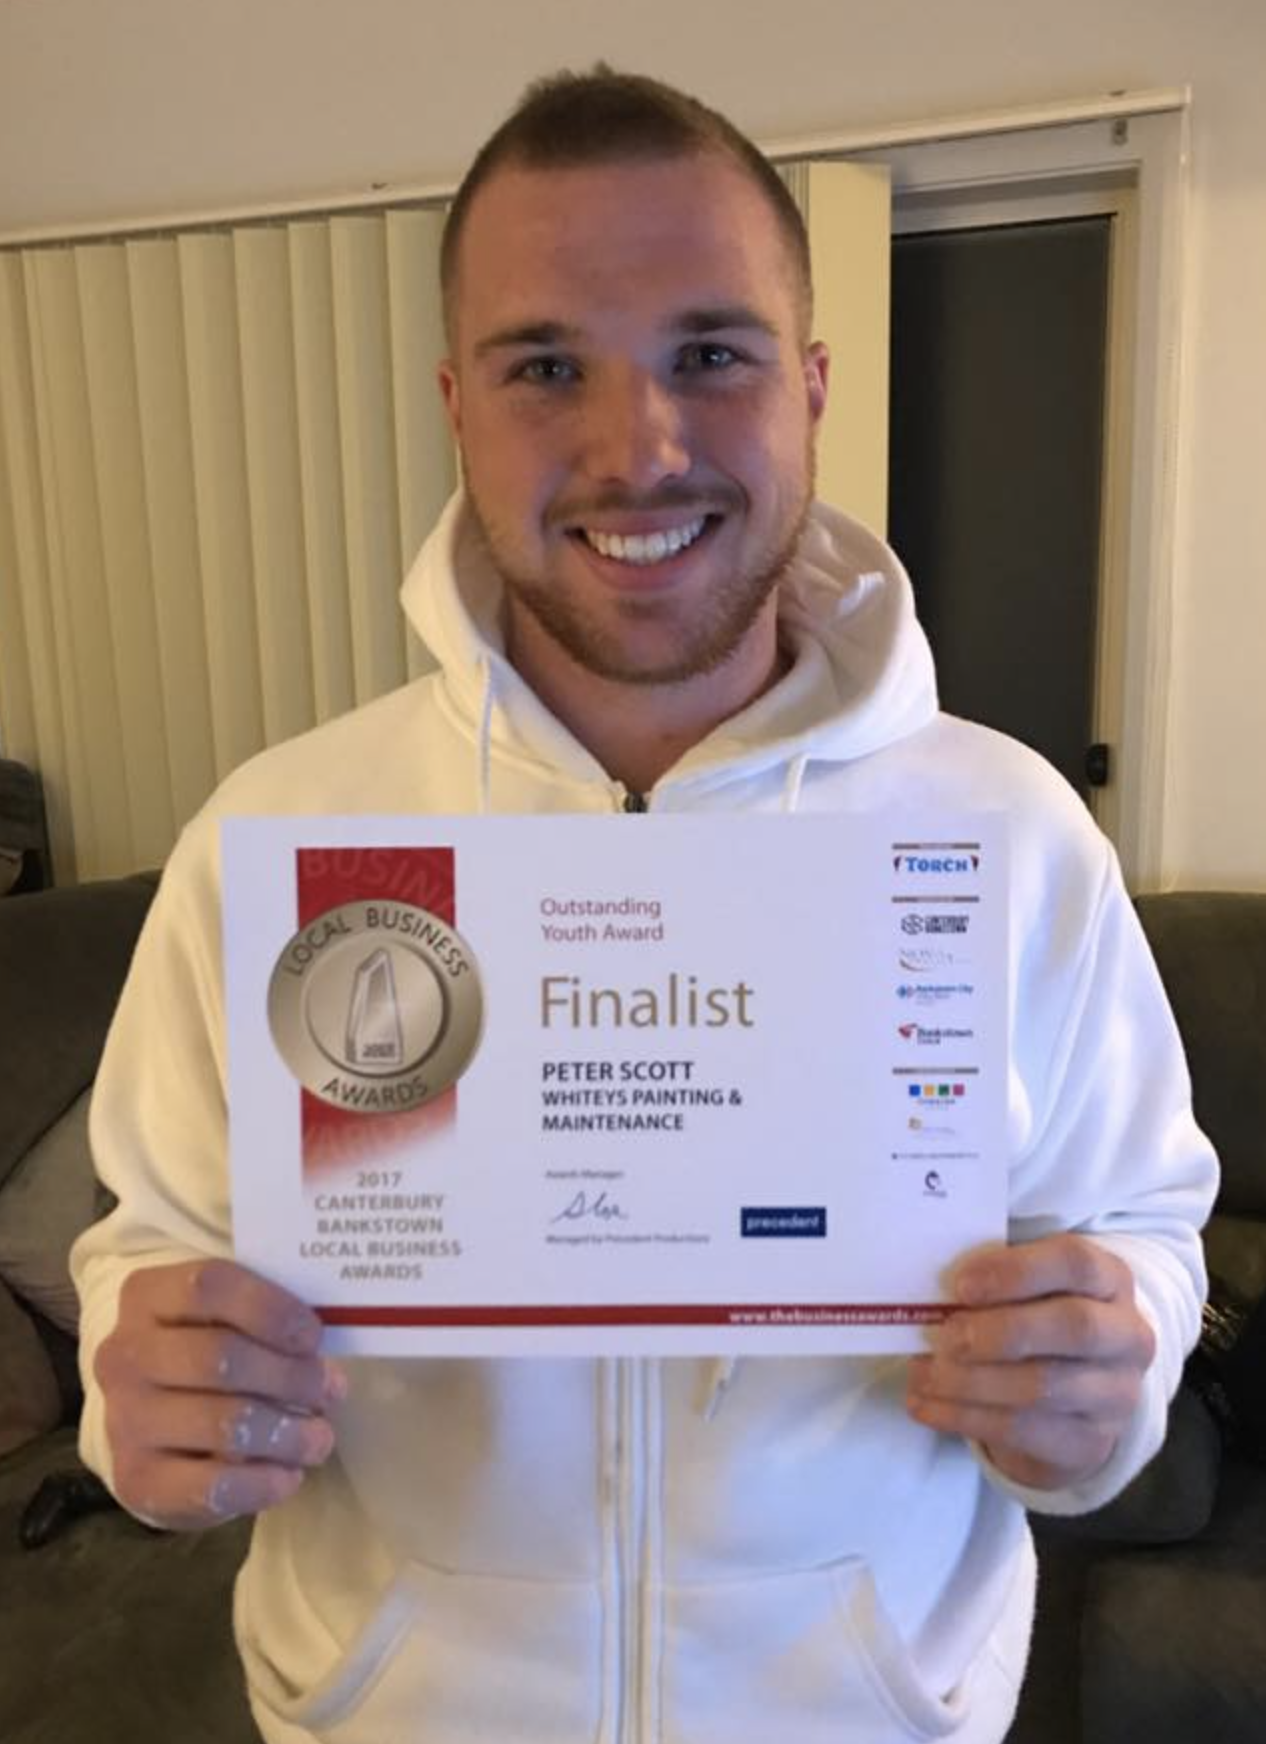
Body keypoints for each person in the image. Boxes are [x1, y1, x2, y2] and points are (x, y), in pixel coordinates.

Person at [73, 68, 1217, 1744]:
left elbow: (1137, 1221)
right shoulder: (284, 833)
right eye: (549, 367)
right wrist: (144, 1402)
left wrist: (1104, 1373)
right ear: (457, 405)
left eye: (710, 352)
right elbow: (154, 1244)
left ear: (809, 389)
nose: (639, 448)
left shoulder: (1008, 833)